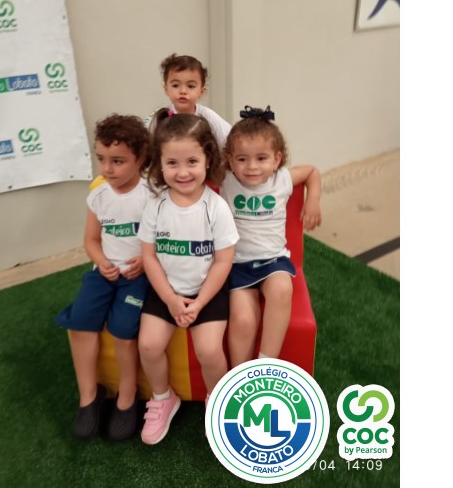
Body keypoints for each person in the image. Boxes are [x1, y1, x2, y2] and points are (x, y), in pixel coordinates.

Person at [137, 113, 238, 445]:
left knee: (209, 350)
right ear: (159, 164)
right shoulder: (156, 207)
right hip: (165, 291)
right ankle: (164, 397)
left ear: (208, 159)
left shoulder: (216, 207)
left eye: (192, 161)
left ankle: (217, 399)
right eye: (172, 163)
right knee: (149, 345)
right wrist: (169, 298)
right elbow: (149, 256)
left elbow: (223, 261)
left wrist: (199, 303)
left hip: (207, 292)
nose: (182, 172)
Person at [54, 114, 151, 441]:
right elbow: (91, 240)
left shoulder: (152, 195)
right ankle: (89, 398)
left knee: (123, 330)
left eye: (118, 161)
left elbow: (164, 238)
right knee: (80, 323)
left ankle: (127, 397)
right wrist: (101, 261)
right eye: (102, 159)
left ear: (140, 158)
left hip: (138, 277)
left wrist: (145, 260)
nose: (107, 168)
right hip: (104, 273)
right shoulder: (98, 196)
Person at [220, 106, 323, 368]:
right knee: (243, 320)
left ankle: (266, 364)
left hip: (273, 261)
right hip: (238, 264)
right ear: (230, 161)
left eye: (261, 158)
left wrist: (312, 200)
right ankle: (239, 374)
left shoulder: (282, 179)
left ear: (277, 159)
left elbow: (311, 171)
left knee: (282, 289)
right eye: (242, 159)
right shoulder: (227, 180)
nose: (252, 167)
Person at [147, 53, 232, 148]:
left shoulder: (208, 116)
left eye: (191, 86)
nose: (183, 91)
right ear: (166, 89)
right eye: (175, 85)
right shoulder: (159, 116)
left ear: (202, 91)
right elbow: (144, 144)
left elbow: (231, 141)